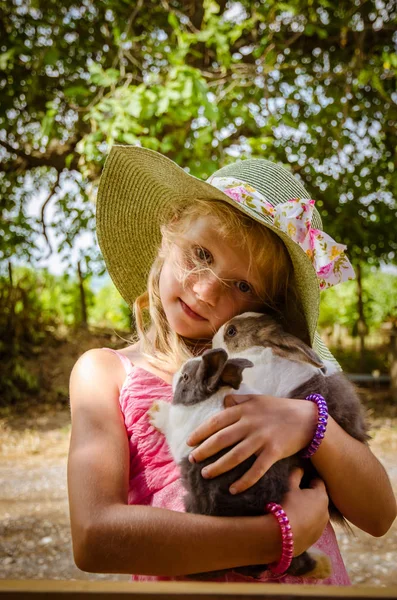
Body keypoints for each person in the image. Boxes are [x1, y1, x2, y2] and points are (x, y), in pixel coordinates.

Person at [68, 146, 396, 585]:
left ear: (266, 307)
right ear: (170, 235)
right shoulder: (104, 375)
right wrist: (274, 537)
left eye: (242, 285)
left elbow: (379, 514)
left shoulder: (280, 374)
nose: (205, 291)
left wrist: (310, 423)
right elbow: (93, 537)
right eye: (201, 254)